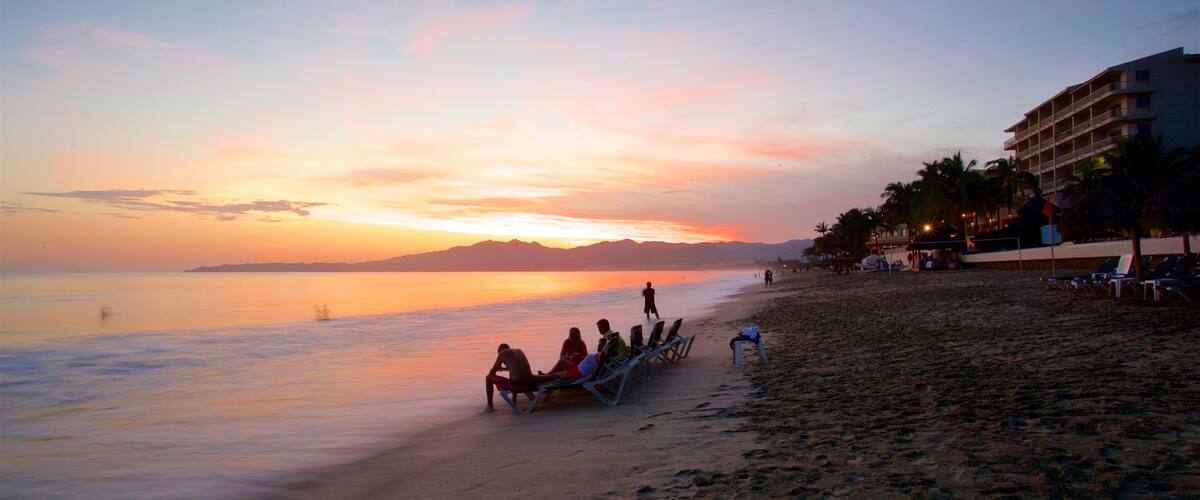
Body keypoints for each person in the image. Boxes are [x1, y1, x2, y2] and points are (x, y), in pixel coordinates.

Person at [483, 343, 559, 412]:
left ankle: (490, 406)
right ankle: (527, 398)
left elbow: (492, 372)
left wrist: (500, 369)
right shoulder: (519, 351)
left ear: (499, 351)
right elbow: (516, 370)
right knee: (516, 377)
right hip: (529, 380)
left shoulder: (502, 354)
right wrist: (505, 369)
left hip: (518, 382)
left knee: (488, 377)